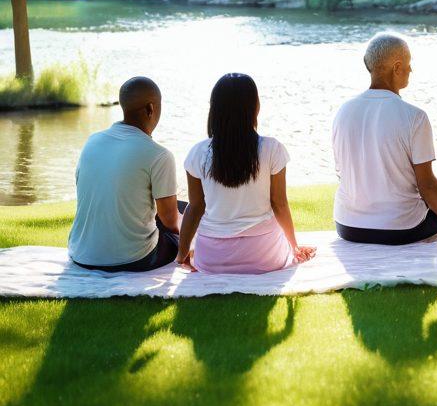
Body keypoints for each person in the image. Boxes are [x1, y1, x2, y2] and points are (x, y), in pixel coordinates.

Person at [176, 74, 315, 273]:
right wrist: (293, 245)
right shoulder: (272, 148)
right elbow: (279, 203)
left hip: (213, 259)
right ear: (255, 107)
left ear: (214, 109)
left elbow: (195, 207)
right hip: (264, 256)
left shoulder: (197, 152)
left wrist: (182, 254)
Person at [331, 32, 437, 245]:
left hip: (347, 226)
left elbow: (342, 174)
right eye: (409, 64)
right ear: (397, 67)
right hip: (399, 228)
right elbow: (427, 185)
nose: (411, 69)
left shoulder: (343, 111)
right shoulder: (415, 116)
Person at [68, 77, 183, 271]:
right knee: (186, 216)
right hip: (134, 258)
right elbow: (170, 222)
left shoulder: (92, 141)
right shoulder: (159, 155)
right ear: (151, 109)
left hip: (82, 254)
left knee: (176, 207)